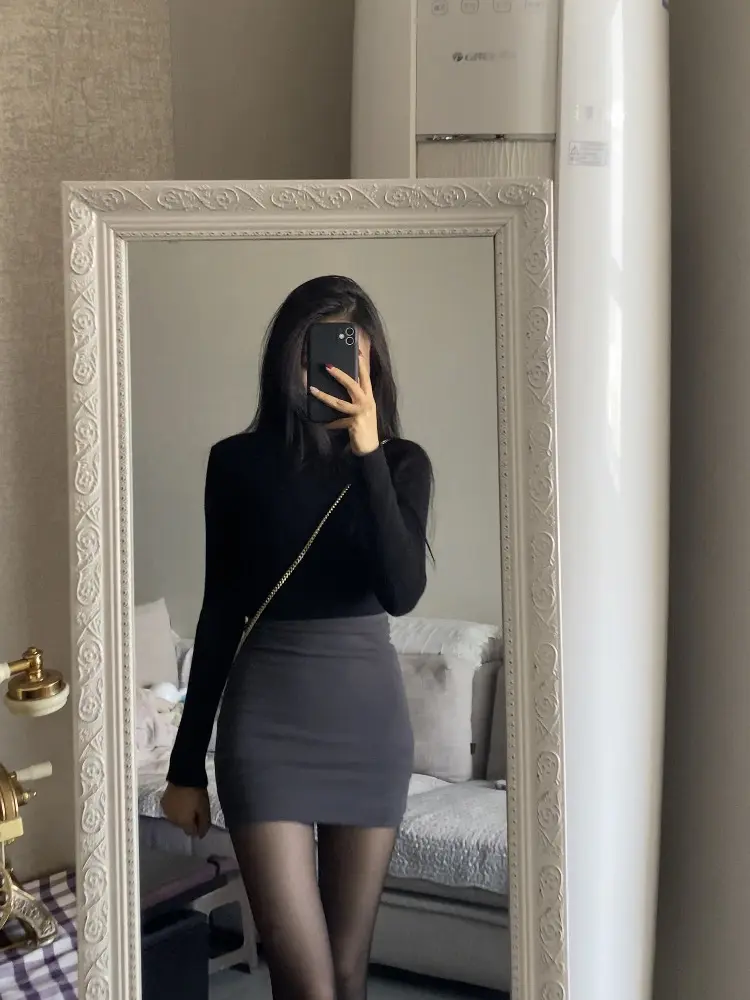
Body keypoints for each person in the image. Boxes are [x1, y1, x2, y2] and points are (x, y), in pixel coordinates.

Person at [161, 275, 433, 1000]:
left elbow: (402, 592)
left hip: (368, 728)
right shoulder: (235, 462)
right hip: (266, 728)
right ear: (288, 357)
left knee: (346, 974)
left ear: (372, 364)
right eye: (316, 354)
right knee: (306, 983)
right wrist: (185, 767)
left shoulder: (403, 464)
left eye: (351, 356)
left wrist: (368, 453)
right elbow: (220, 612)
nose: (333, 371)